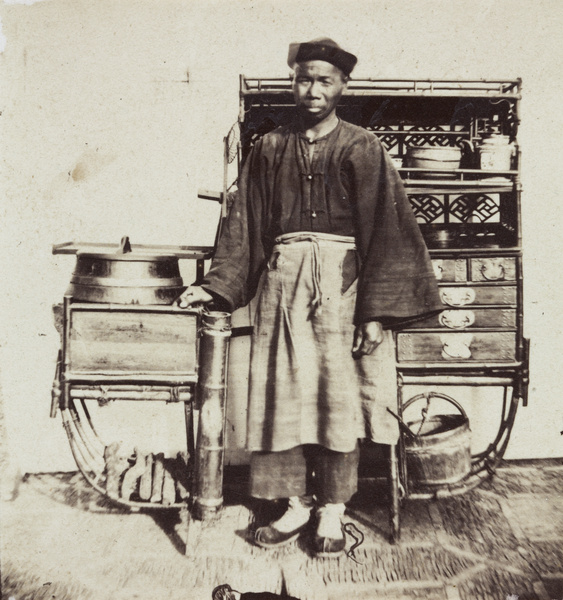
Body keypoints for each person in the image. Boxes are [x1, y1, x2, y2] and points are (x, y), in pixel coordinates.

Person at [179, 38, 441, 557]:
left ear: (343, 86)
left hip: (342, 292)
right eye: (304, 78)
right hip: (282, 287)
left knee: (336, 401)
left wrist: (376, 314)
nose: (313, 89)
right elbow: (245, 225)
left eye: (324, 80)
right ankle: (294, 504)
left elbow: (386, 231)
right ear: (292, 83)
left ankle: (332, 511)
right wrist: (216, 286)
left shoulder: (362, 147)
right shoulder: (269, 147)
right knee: (283, 397)